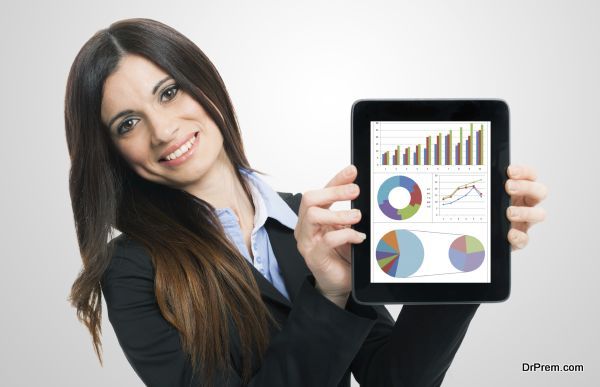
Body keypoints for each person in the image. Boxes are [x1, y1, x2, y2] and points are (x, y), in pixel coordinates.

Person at [64, 18, 548, 387]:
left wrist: (467, 260)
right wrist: (329, 294)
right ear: (110, 151)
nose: (163, 130)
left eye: (169, 93)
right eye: (127, 123)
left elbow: (396, 377)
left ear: (203, 83)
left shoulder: (308, 223)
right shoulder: (131, 268)